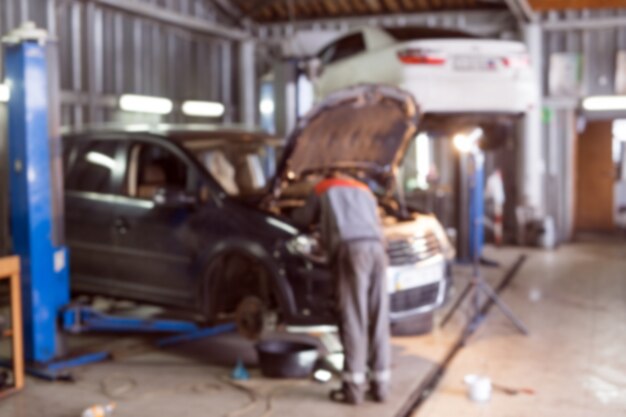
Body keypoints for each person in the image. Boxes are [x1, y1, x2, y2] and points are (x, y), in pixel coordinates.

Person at [293, 172, 390, 405]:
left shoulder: (323, 187)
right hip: (378, 250)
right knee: (378, 317)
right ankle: (381, 388)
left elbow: (301, 220)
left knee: (354, 318)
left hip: (352, 251)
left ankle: (353, 390)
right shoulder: (364, 188)